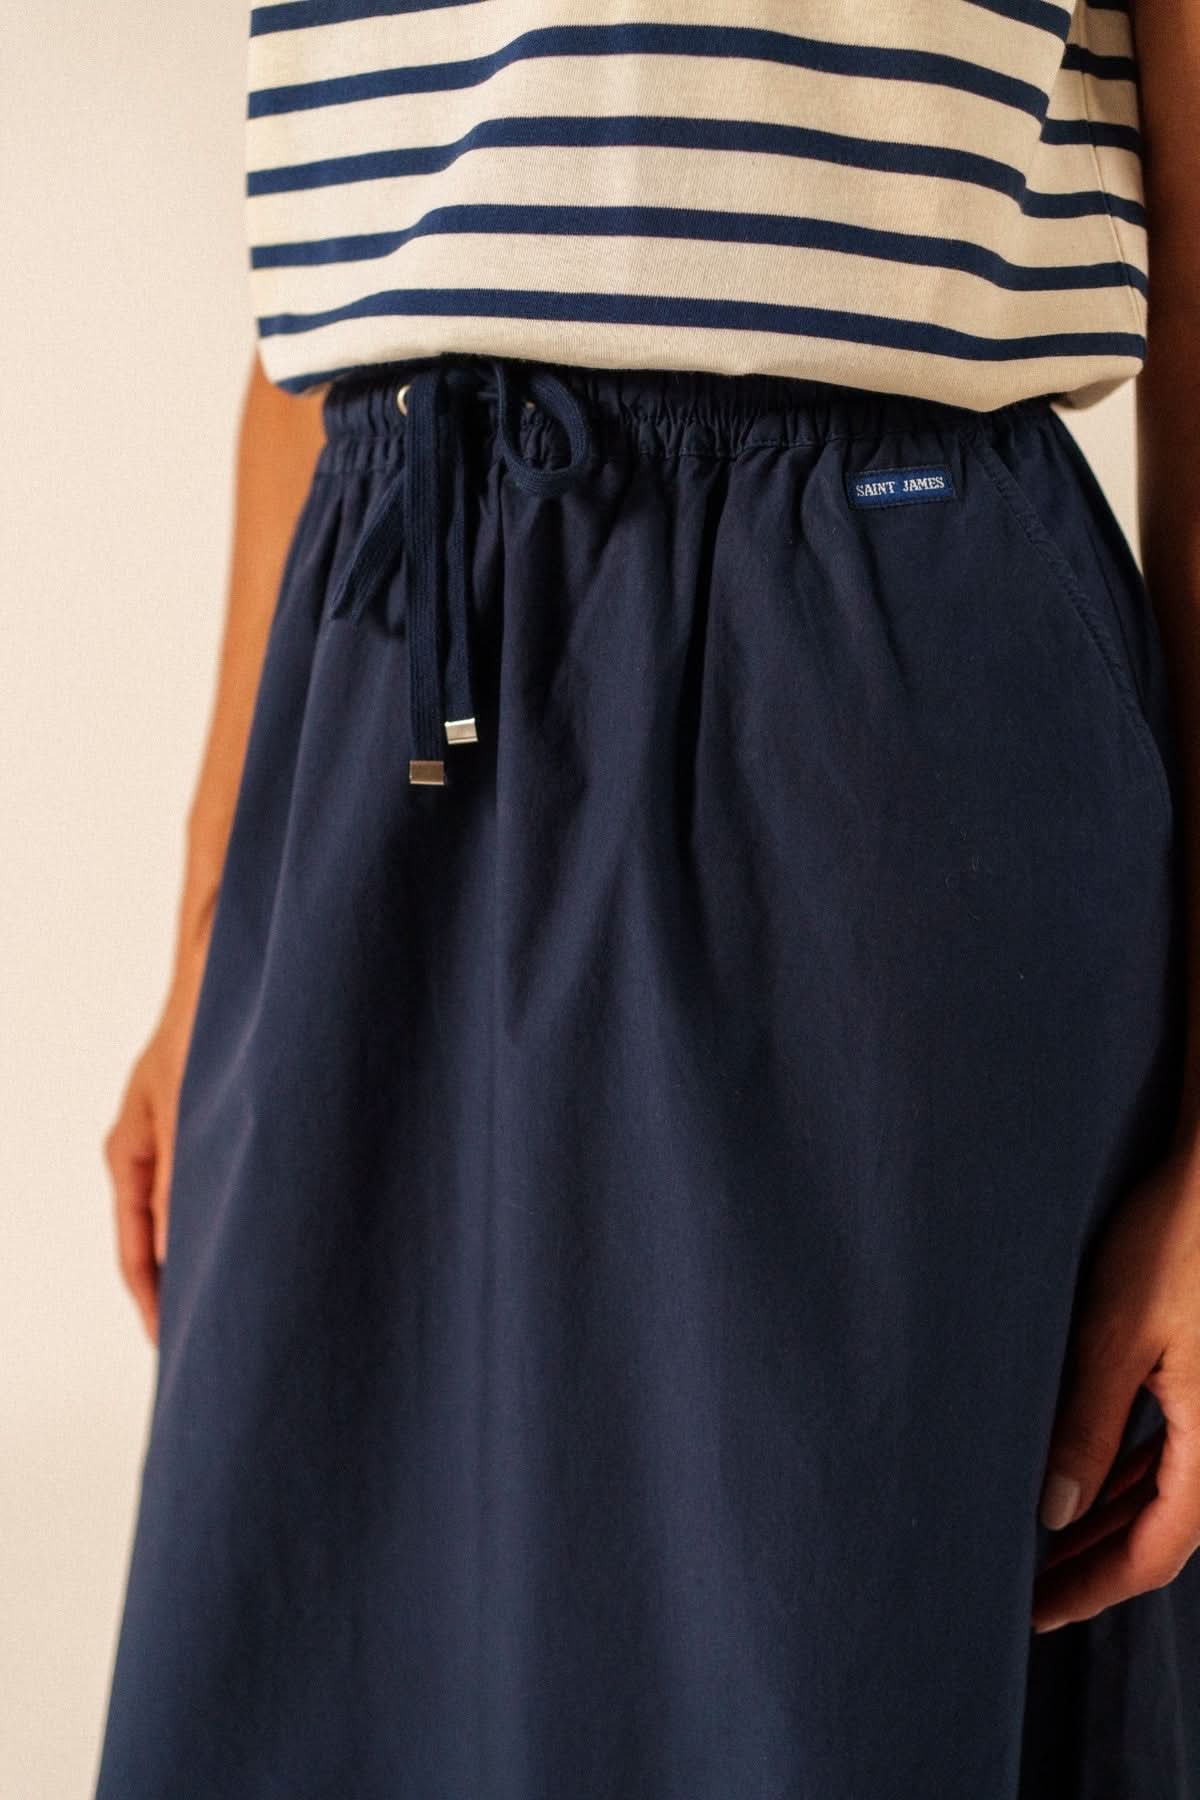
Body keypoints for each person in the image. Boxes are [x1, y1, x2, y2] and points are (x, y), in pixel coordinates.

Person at [95, 2, 1200, 1795]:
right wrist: (215, 926)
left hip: (862, 680)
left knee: (799, 1681)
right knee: (315, 1684)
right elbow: (361, 245)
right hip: (384, 663)